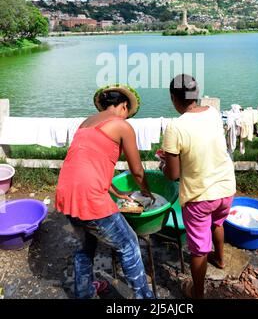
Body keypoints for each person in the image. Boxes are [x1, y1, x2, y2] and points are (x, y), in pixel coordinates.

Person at [55, 84, 155, 299]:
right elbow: (137, 171)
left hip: (66, 194)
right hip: (90, 198)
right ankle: (145, 298)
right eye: (128, 113)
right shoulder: (121, 125)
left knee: (86, 246)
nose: (127, 118)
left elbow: (87, 163)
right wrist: (148, 192)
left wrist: (117, 191)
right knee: (129, 245)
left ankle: (85, 292)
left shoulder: (85, 124)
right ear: (124, 106)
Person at [161, 75, 236, 299]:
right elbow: (202, 147)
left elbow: (173, 175)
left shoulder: (175, 127)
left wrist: (164, 163)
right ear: (197, 94)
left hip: (200, 197)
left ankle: (197, 293)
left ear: (173, 98)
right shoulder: (212, 113)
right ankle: (220, 259)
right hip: (226, 188)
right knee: (218, 223)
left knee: (198, 250)